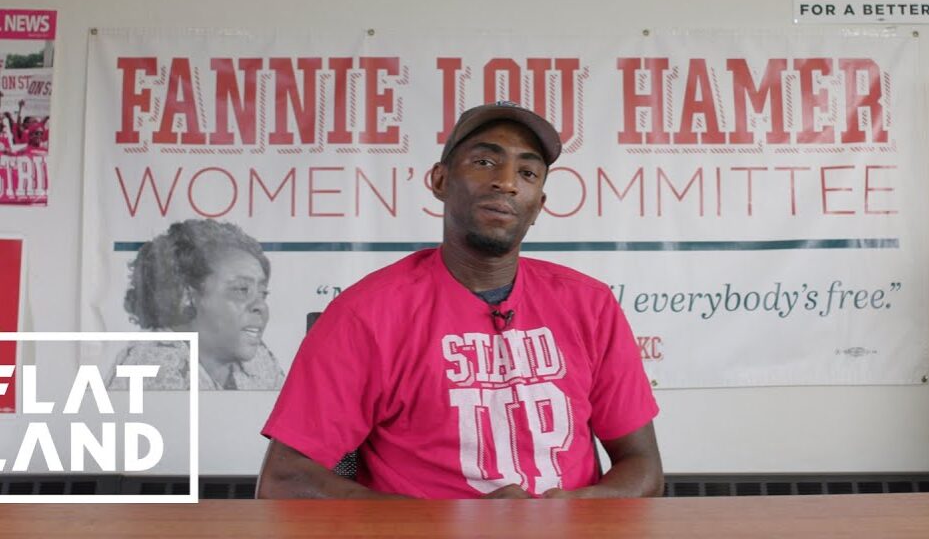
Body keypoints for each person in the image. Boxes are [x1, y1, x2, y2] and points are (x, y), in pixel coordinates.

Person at [258, 102, 662, 499]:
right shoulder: (366, 313)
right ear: (440, 180)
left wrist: (583, 510)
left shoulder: (589, 304)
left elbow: (642, 466)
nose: (506, 182)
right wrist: (454, 523)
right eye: (485, 162)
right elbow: (286, 481)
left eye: (527, 172)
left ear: (537, 206)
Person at [106, 219, 284, 391]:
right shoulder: (155, 369)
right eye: (241, 289)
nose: (261, 306)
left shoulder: (259, 361)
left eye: (263, 293)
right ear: (187, 295)